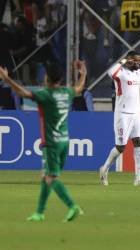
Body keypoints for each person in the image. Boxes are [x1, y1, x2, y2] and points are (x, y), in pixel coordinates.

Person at [0, 60, 87, 222]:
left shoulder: (45, 94)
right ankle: (39, 213)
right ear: (60, 79)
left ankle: (73, 206)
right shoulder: (66, 93)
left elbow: (23, 93)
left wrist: (6, 79)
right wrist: (83, 73)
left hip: (51, 143)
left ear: (47, 78)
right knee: (45, 176)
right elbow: (79, 88)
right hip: (64, 141)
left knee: (51, 178)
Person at [99, 51, 140, 186]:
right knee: (120, 148)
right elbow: (111, 73)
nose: (138, 63)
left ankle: (138, 179)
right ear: (130, 60)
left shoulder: (138, 73)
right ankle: (104, 169)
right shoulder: (121, 73)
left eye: (139, 61)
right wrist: (123, 61)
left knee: (139, 143)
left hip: (136, 114)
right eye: (136, 61)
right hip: (122, 114)